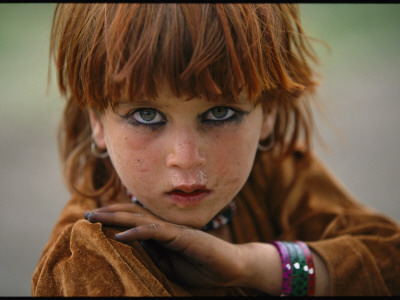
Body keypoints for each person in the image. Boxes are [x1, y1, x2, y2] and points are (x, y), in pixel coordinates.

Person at [31, 3, 399, 296]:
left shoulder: (274, 172)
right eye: (146, 115)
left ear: (267, 110)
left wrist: (252, 266)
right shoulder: (85, 260)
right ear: (97, 121)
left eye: (220, 113)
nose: (187, 158)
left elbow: (389, 261)